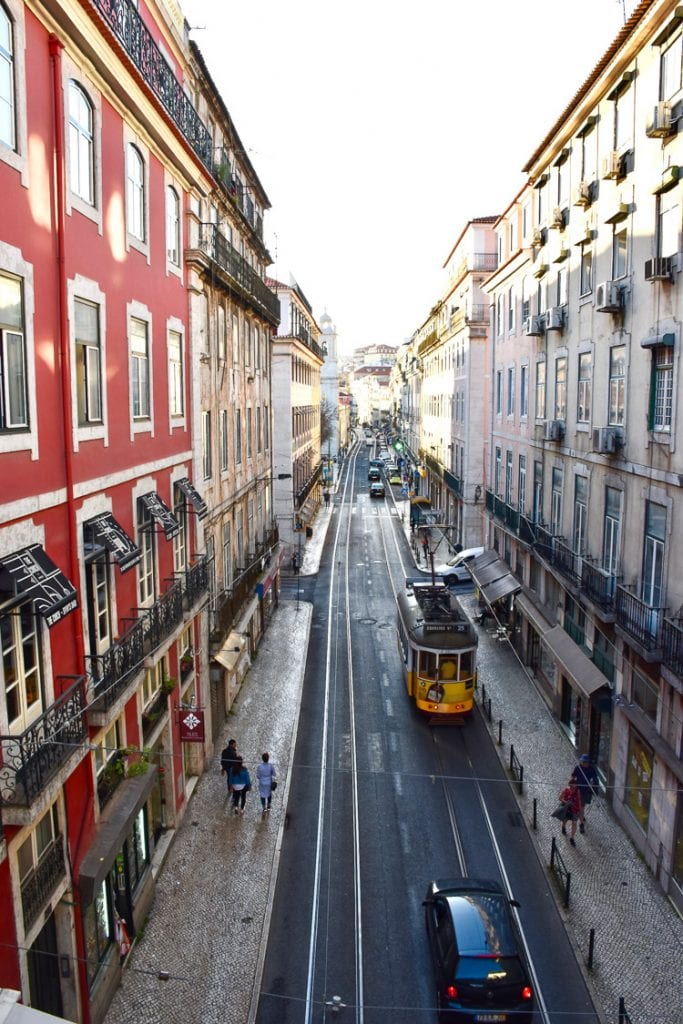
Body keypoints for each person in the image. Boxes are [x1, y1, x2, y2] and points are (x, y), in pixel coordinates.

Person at [572, 753, 598, 833]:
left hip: (587, 791)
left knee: (583, 806)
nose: (583, 764)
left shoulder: (591, 769)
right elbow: (573, 776)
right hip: (580, 790)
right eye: (582, 762)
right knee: (581, 807)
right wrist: (575, 782)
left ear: (588, 762)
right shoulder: (578, 768)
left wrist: (592, 783)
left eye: (585, 762)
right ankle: (581, 824)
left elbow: (595, 779)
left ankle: (581, 815)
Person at [557, 780, 581, 845]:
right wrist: (566, 802)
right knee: (566, 819)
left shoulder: (578, 792)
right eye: (572, 786)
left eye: (574, 786)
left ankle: (572, 838)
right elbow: (560, 798)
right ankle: (563, 826)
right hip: (568, 809)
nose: (573, 787)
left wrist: (580, 810)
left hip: (575, 810)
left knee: (574, 823)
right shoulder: (566, 790)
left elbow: (579, 800)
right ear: (570, 785)